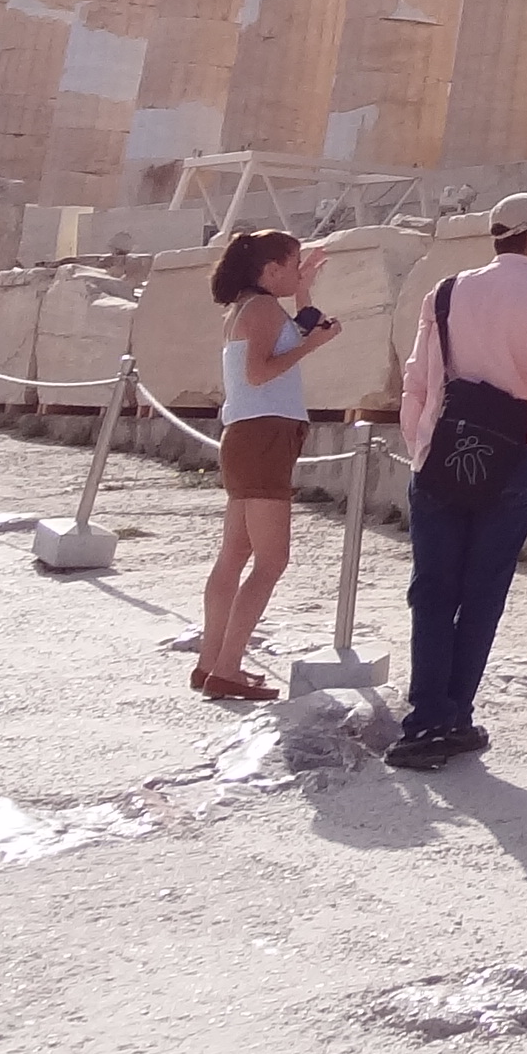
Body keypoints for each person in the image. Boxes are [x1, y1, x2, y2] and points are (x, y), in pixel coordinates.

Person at [388, 193, 527, 772]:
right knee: (483, 590)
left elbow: (417, 379)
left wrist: (421, 446)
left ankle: (425, 719)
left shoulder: (445, 291)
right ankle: (455, 715)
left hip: (441, 451)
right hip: (511, 452)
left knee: (432, 588)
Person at [195, 228, 346, 701]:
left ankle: (211, 662)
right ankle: (227, 668)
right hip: (264, 435)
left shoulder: (249, 306)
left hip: (248, 434)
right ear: (271, 269)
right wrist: (313, 346)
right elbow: (260, 371)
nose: (300, 270)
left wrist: (304, 292)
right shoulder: (261, 309)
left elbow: (293, 334)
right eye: (294, 264)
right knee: (271, 560)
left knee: (236, 554)